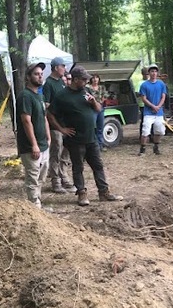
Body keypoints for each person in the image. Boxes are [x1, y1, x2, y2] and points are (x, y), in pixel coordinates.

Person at [49, 66, 124, 207]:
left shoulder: (87, 91)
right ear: (75, 79)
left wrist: (93, 102)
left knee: (98, 165)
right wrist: (61, 129)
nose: (86, 81)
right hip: (76, 139)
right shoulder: (62, 95)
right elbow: (50, 114)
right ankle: (81, 193)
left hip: (92, 138)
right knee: (78, 167)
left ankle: (104, 192)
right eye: (84, 79)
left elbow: (99, 109)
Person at [16, 62, 52, 210]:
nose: (40, 76)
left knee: (41, 178)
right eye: (36, 74)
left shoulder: (40, 96)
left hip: (44, 145)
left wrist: (49, 137)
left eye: (41, 74)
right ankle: (34, 208)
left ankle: (38, 206)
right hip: (31, 147)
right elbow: (26, 120)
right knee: (32, 178)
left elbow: (44, 118)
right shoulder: (25, 96)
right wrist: (34, 144)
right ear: (29, 77)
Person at [42, 56, 71, 193]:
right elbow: (46, 105)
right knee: (56, 151)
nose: (64, 68)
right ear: (55, 68)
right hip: (55, 124)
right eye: (63, 66)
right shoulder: (48, 83)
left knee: (67, 150)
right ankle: (56, 181)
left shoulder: (61, 82)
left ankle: (64, 175)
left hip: (66, 122)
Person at [137, 63, 167, 155]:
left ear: (157, 73)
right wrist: (152, 106)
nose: (154, 73)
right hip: (148, 112)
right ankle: (143, 149)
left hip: (159, 112)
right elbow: (143, 98)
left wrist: (158, 106)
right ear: (148, 73)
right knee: (145, 130)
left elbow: (163, 96)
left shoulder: (161, 84)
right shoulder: (144, 85)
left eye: (155, 71)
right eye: (152, 71)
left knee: (160, 130)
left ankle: (156, 146)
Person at [88, 74, 106, 148]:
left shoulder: (102, 87)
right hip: (92, 109)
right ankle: (92, 144)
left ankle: (100, 144)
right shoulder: (88, 88)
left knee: (100, 127)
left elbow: (105, 96)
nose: (95, 79)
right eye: (93, 78)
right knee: (92, 127)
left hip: (100, 109)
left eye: (97, 78)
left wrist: (101, 101)